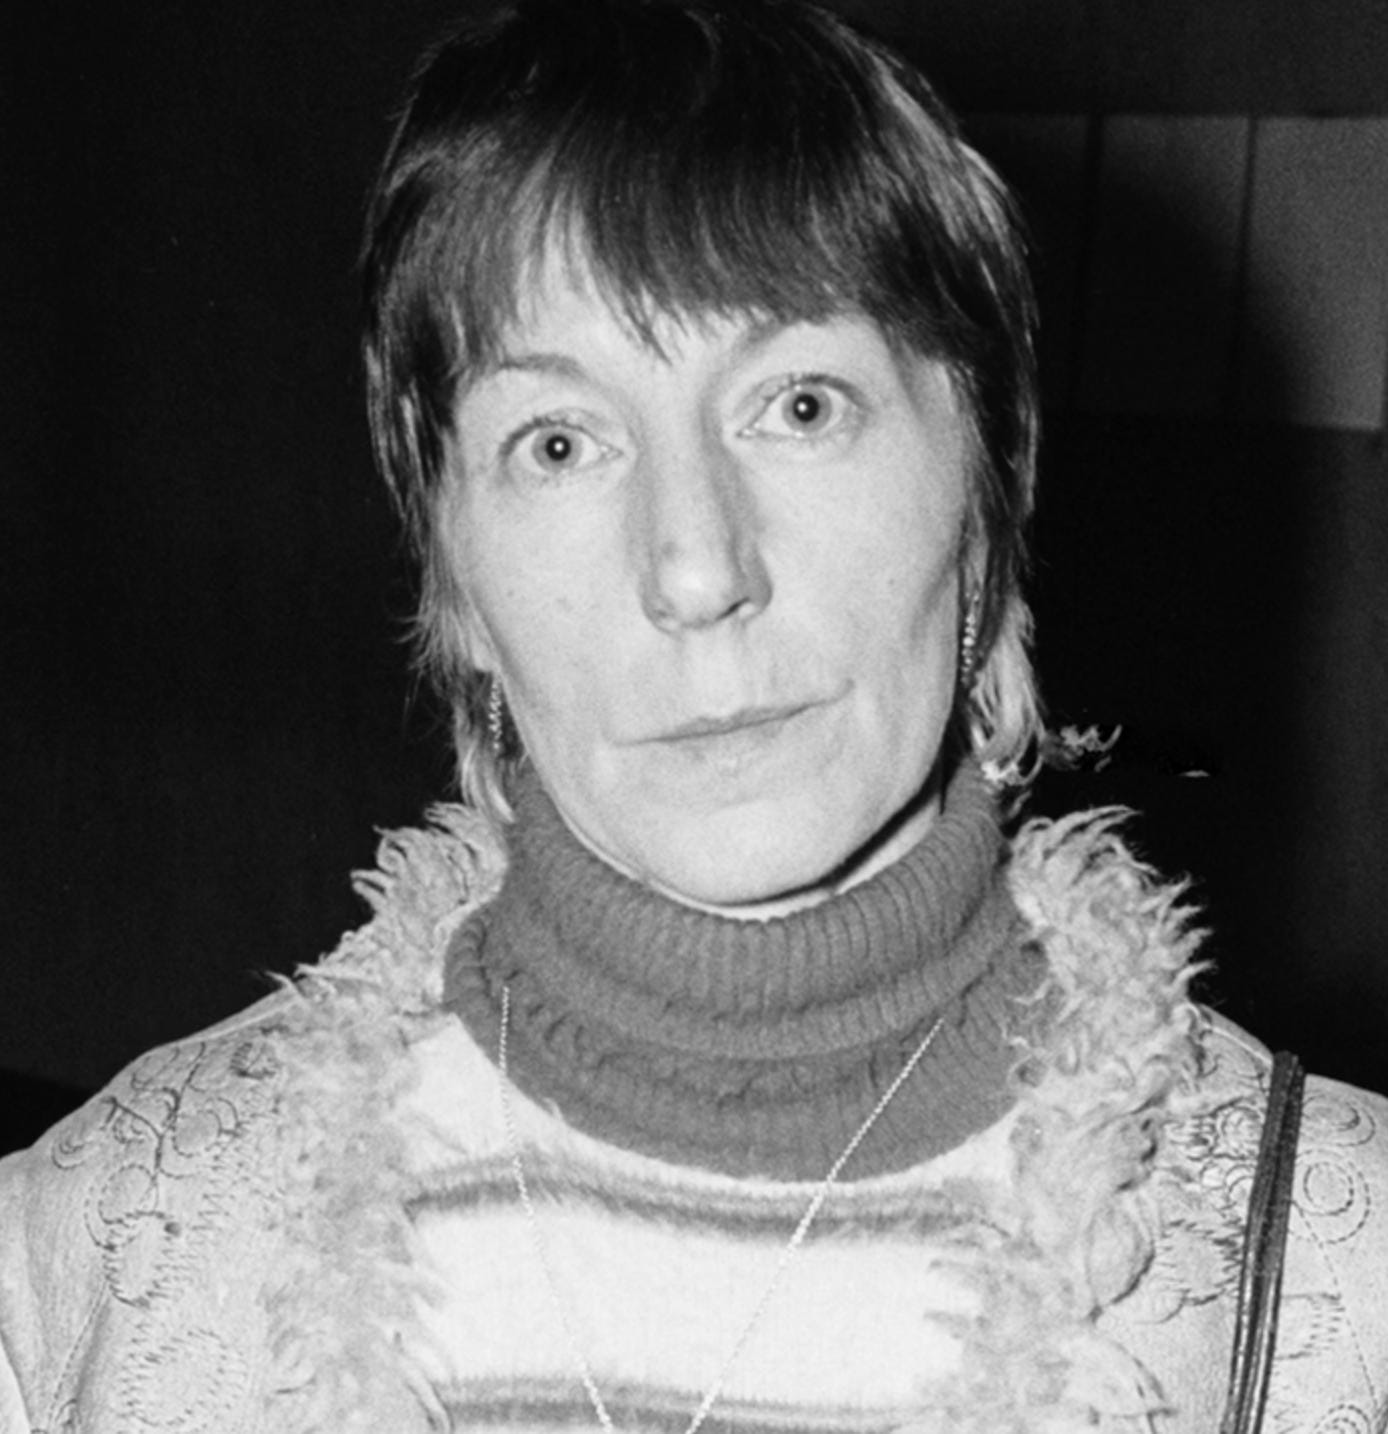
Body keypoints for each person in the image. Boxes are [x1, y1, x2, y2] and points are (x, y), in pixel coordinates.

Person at [2, 0, 1385, 1429]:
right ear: (452, 573)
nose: (695, 568)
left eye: (800, 406)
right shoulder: (92, 1261)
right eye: (559, 442)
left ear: (990, 482)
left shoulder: (1342, 1289)